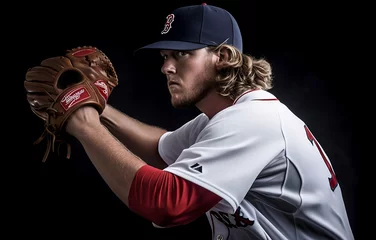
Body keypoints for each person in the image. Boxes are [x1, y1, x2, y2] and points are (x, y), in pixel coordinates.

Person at [64, 3, 354, 240]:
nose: (166, 67)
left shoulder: (253, 121)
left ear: (223, 56)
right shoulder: (228, 117)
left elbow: (167, 203)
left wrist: (86, 125)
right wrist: (97, 107)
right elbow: (160, 149)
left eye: (182, 54)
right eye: (165, 56)